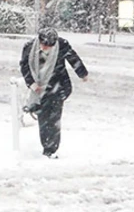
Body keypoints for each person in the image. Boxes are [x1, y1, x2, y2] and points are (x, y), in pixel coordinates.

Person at [19, 27, 88, 159]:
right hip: (40, 89)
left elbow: (73, 58)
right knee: (43, 118)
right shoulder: (29, 47)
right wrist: (32, 84)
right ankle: (47, 146)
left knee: (54, 118)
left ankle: (52, 148)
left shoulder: (61, 45)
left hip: (58, 85)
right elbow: (24, 66)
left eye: (49, 46)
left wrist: (82, 73)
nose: (46, 48)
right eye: (44, 45)